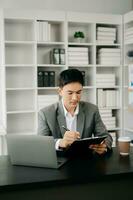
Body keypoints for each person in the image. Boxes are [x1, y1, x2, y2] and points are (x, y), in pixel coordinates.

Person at [38, 69, 112, 155]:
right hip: (57, 161)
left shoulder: (92, 110)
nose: (75, 98)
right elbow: (40, 143)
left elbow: (106, 136)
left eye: (78, 92)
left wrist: (104, 146)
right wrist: (60, 142)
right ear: (60, 91)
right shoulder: (45, 113)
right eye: (70, 93)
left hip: (85, 160)